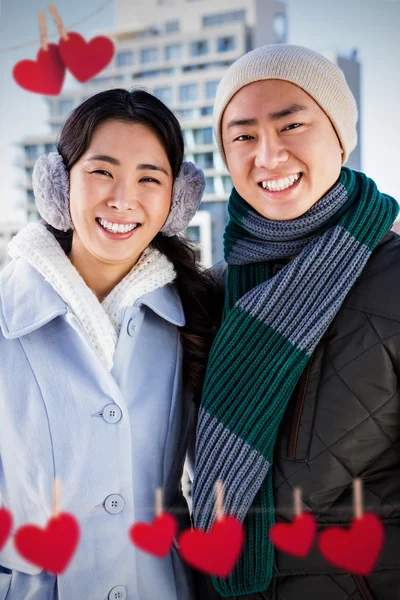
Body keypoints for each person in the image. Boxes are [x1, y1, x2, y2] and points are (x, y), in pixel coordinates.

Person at [191, 44, 400, 600]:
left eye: (292, 124)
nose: (268, 154)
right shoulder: (207, 294)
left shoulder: (394, 278)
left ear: (339, 134)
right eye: (242, 136)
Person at [0, 88, 217, 600]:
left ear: (177, 199)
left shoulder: (198, 315)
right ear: (59, 184)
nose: (123, 199)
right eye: (101, 171)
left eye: (149, 178)